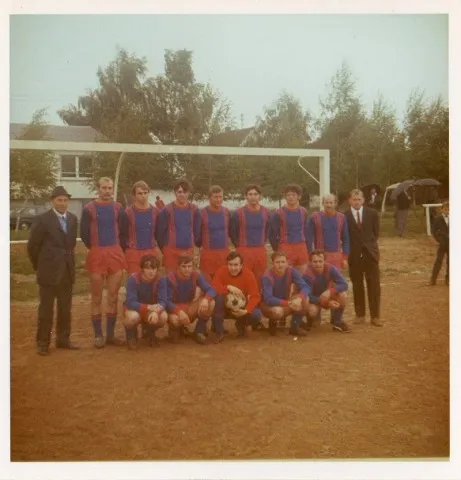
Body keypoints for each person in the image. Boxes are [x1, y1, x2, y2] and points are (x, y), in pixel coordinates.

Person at [27, 186, 79, 355]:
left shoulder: (72, 219)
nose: (63, 203)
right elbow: (33, 246)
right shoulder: (42, 220)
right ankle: (43, 343)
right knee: (46, 309)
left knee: (65, 308)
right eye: (59, 200)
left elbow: (70, 245)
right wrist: (40, 266)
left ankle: (63, 339)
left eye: (65, 200)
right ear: (52, 201)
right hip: (48, 272)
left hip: (67, 271)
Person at [80, 177, 128, 348]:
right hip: (97, 253)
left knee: (113, 296)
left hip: (115, 253)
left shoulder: (118, 208)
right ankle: (98, 335)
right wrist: (96, 249)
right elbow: (84, 234)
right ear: (98, 189)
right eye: (104, 188)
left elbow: (123, 231)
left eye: (110, 188)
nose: (107, 191)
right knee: (97, 297)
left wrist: (116, 249)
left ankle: (110, 336)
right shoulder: (89, 209)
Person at [160, 254, 216, 345]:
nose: (187, 269)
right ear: (178, 267)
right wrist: (178, 311)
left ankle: (199, 331)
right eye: (184, 266)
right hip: (174, 310)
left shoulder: (195, 275)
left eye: (189, 266)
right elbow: (166, 301)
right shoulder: (170, 278)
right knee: (175, 321)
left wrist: (206, 299)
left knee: (211, 302)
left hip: (189, 307)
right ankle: (175, 329)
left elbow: (211, 289)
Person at [345, 189, 382, 327]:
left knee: (374, 285)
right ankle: (360, 314)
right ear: (349, 200)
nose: (357, 202)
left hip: (370, 254)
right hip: (354, 255)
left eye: (359, 199)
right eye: (354, 199)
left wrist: (369, 247)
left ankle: (375, 316)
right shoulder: (344, 216)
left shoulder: (372, 214)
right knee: (357, 285)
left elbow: (375, 233)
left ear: (363, 200)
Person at [212, 251, 262, 342]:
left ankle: (240, 324)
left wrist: (246, 311)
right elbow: (213, 287)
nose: (233, 268)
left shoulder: (248, 274)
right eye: (230, 265)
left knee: (257, 314)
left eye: (236, 265)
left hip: (241, 308)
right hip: (225, 308)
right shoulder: (221, 271)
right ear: (227, 264)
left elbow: (255, 296)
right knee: (218, 298)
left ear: (241, 265)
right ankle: (219, 330)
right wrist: (228, 287)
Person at [229, 184, 270, 289]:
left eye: (255, 194)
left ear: (260, 196)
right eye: (250, 194)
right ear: (246, 196)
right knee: (244, 277)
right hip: (244, 250)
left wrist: (263, 241)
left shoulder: (266, 212)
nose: (253, 197)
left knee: (260, 279)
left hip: (260, 250)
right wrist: (238, 245)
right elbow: (232, 231)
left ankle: (258, 298)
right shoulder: (238, 213)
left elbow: (268, 229)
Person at [156, 179, 201, 273]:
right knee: (171, 278)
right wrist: (164, 249)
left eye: (185, 192)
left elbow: (197, 232)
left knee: (186, 278)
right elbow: (159, 233)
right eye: (179, 192)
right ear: (175, 193)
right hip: (171, 251)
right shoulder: (166, 210)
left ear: (189, 193)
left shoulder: (194, 210)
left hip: (188, 251)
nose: (182, 194)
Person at [261, 252, 310, 337]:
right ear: (272, 263)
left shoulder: (291, 271)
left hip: (285, 303)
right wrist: (288, 303)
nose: (280, 265)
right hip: (269, 306)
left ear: (287, 263)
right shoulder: (267, 276)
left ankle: (294, 327)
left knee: (305, 299)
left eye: (283, 262)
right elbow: (268, 299)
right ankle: (272, 324)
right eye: (277, 262)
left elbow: (306, 286)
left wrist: (299, 298)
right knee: (278, 312)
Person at [123, 255, 167, 350]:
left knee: (163, 317)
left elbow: (163, 301)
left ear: (157, 269)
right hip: (134, 309)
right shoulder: (133, 278)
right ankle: (131, 334)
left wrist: (156, 312)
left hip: (151, 309)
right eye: (148, 268)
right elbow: (130, 302)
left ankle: (149, 332)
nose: (151, 271)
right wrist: (148, 307)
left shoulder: (161, 279)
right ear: (142, 269)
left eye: (154, 268)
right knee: (133, 317)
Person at [302, 250, 351, 333]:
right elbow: (308, 296)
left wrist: (330, 291)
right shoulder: (307, 274)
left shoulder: (330, 268)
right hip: (314, 300)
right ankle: (310, 321)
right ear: (310, 262)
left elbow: (344, 284)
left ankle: (337, 322)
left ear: (324, 261)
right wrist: (327, 303)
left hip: (327, 295)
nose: (318, 264)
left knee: (343, 295)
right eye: (315, 262)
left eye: (320, 261)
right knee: (312, 311)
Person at [268, 184, 310, 275]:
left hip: (301, 247)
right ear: (285, 197)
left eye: (293, 195)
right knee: (286, 276)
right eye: (288, 195)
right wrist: (277, 250)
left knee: (302, 276)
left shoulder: (304, 211)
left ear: (299, 196)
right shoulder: (278, 213)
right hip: (285, 247)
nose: (291, 197)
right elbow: (272, 234)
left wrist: (308, 248)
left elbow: (306, 232)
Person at [124, 181, 161, 275]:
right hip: (133, 252)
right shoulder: (128, 213)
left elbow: (160, 233)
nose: (143, 196)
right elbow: (122, 233)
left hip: (151, 251)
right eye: (140, 193)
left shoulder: (156, 212)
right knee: (135, 280)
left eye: (145, 193)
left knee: (151, 281)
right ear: (134, 195)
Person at [196, 185, 231, 282]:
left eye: (220, 197)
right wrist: (202, 246)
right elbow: (197, 235)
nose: (218, 199)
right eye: (215, 197)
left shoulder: (226, 212)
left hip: (223, 254)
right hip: (208, 254)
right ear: (209, 198)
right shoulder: (202, 213)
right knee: (207, 284)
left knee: (223, 283)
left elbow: (231, 231)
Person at [306, 194, 349, 270]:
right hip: (319, 256)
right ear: (323, 203)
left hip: (336, 256)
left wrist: (345, 258)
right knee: (320, 277)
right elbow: (308, 239)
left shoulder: (341, 217)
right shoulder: (314, 217)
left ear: (335, 203)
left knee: (335, 277)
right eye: (326, 202)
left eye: (331, 203)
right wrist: (310, 256)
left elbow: (345, 238)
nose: (329, 205)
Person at [429, 200, 449, 286]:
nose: (447, 211)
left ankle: (448, 280)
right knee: (438, 261)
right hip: (442, 243)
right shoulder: (437, 219)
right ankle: (433, 279)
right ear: (442, 209)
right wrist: (437, 240)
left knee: (450, 262)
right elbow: (433, 231)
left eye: (449, 209)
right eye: (445, 209)